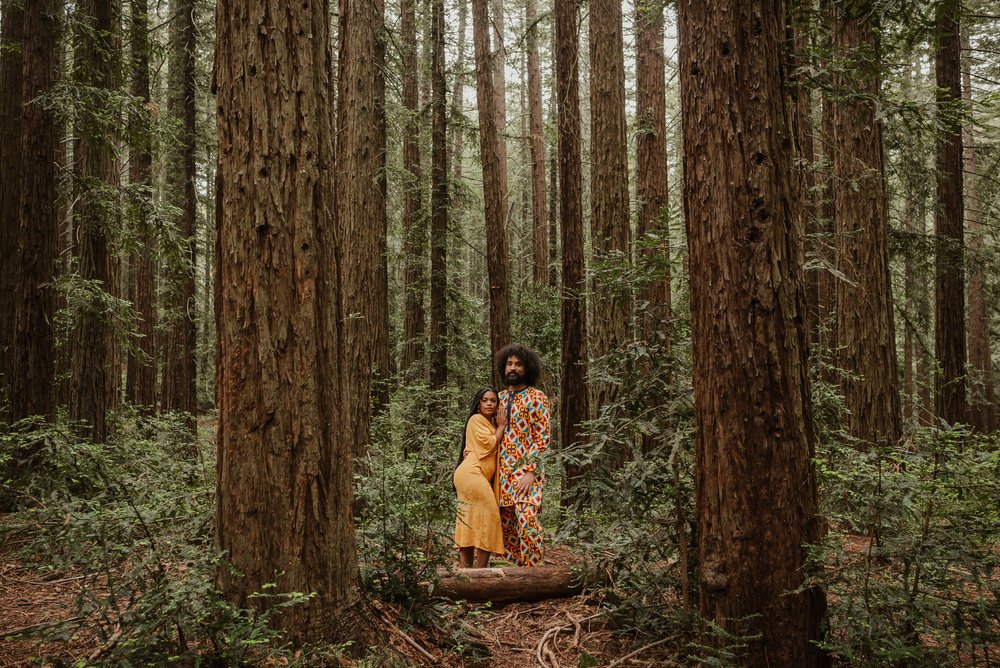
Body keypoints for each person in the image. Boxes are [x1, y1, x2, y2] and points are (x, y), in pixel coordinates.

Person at [494, 344, 551, 567]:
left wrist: (530, 472)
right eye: (509, 364)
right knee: (507, 526)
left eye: (518, 364)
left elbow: (542, 437)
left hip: (526, 475)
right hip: (501, 473)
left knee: (527, 520)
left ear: (528, 368)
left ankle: (534, 571)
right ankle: (516, 577)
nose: (513, 368)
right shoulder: (498, 398)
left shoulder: (537, 397)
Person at [453, 387, 507, 568]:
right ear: (478, 403)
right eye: (485, 400)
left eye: (493, 400)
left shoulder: (489, 425)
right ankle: (480, 571)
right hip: (471, 474)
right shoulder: (476, 420)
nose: (489, 403)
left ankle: (466, 572)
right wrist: (501, 427)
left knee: (468, 519)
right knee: (491, 516)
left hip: (473, 475)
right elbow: (490, 443)